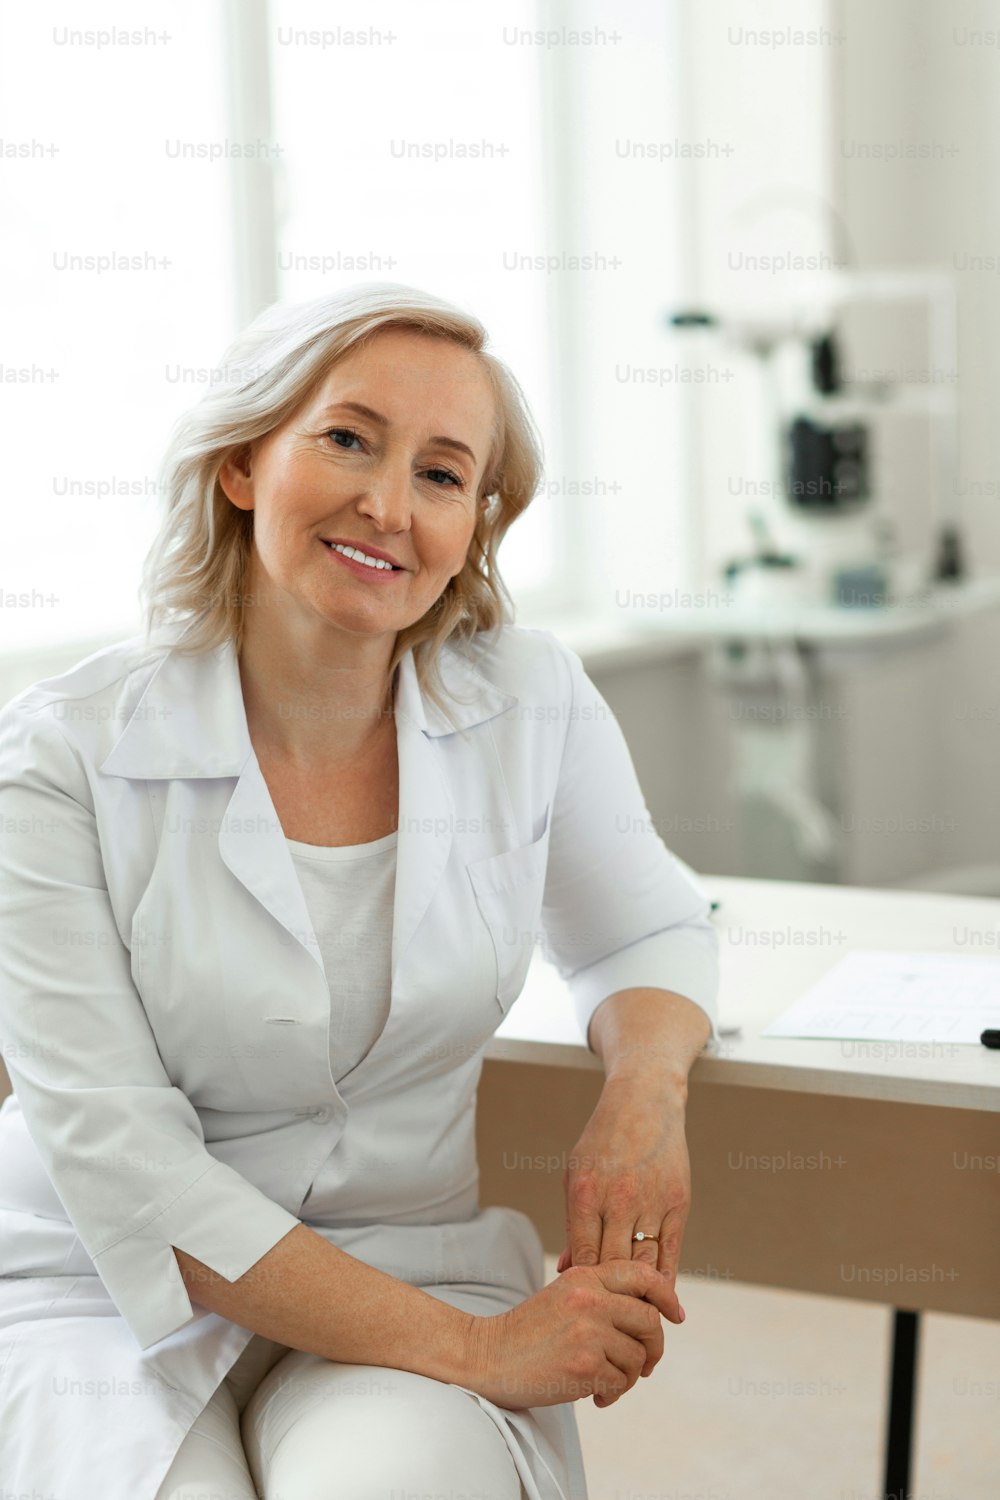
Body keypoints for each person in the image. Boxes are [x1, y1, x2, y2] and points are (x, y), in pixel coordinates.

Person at [0, 282, 720, 1499]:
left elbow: (647, 924)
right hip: (100, 1283)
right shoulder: (59, 754)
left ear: (476, 523)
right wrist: (486, 1351)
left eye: (444, 474)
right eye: (347, 439)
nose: (389, 505)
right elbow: (132, 1175)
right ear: (241, 463)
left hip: (411, 1255)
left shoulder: (528, 701)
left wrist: (643, 1095)